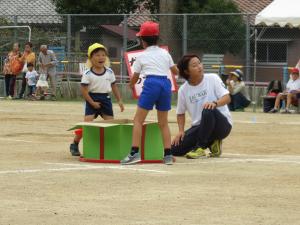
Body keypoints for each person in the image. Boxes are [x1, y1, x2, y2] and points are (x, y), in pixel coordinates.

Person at [120, 21, 179, 165]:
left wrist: (131, 84)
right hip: (165, 84)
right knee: (163, 123)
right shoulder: (165, 53)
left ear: (142, 40)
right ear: (157, 38)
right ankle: (168, 155)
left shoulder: (141, 56)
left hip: (151, 83)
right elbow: (175, 71)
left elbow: (135, 77)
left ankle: (134, 153)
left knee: (138, 120)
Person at [171, 54, 232, 159]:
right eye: (194, 65)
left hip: (221, 125)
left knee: (208, 110)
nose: (199, 67)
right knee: (175, 149)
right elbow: (180, 113)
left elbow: (227, 98)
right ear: (186, 71)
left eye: (199, 63)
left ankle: (200, 147)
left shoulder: (212, 78)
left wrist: (215, 103)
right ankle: (212, 143)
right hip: (200, 127)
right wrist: (181, 131)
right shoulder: (183, 90)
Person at [69, 43, 124, 156]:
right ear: (91, 58)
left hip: (106, 99)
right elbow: (84, 90)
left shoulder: (109, 72)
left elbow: (114, 86)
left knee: (110, 125)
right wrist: (92, 102)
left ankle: (108, 148)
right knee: (87, 124)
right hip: (92, 98)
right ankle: (75, 143)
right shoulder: (87, 73)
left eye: (103, 55)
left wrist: (119, 100)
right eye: (97, 55)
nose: (101, 58)